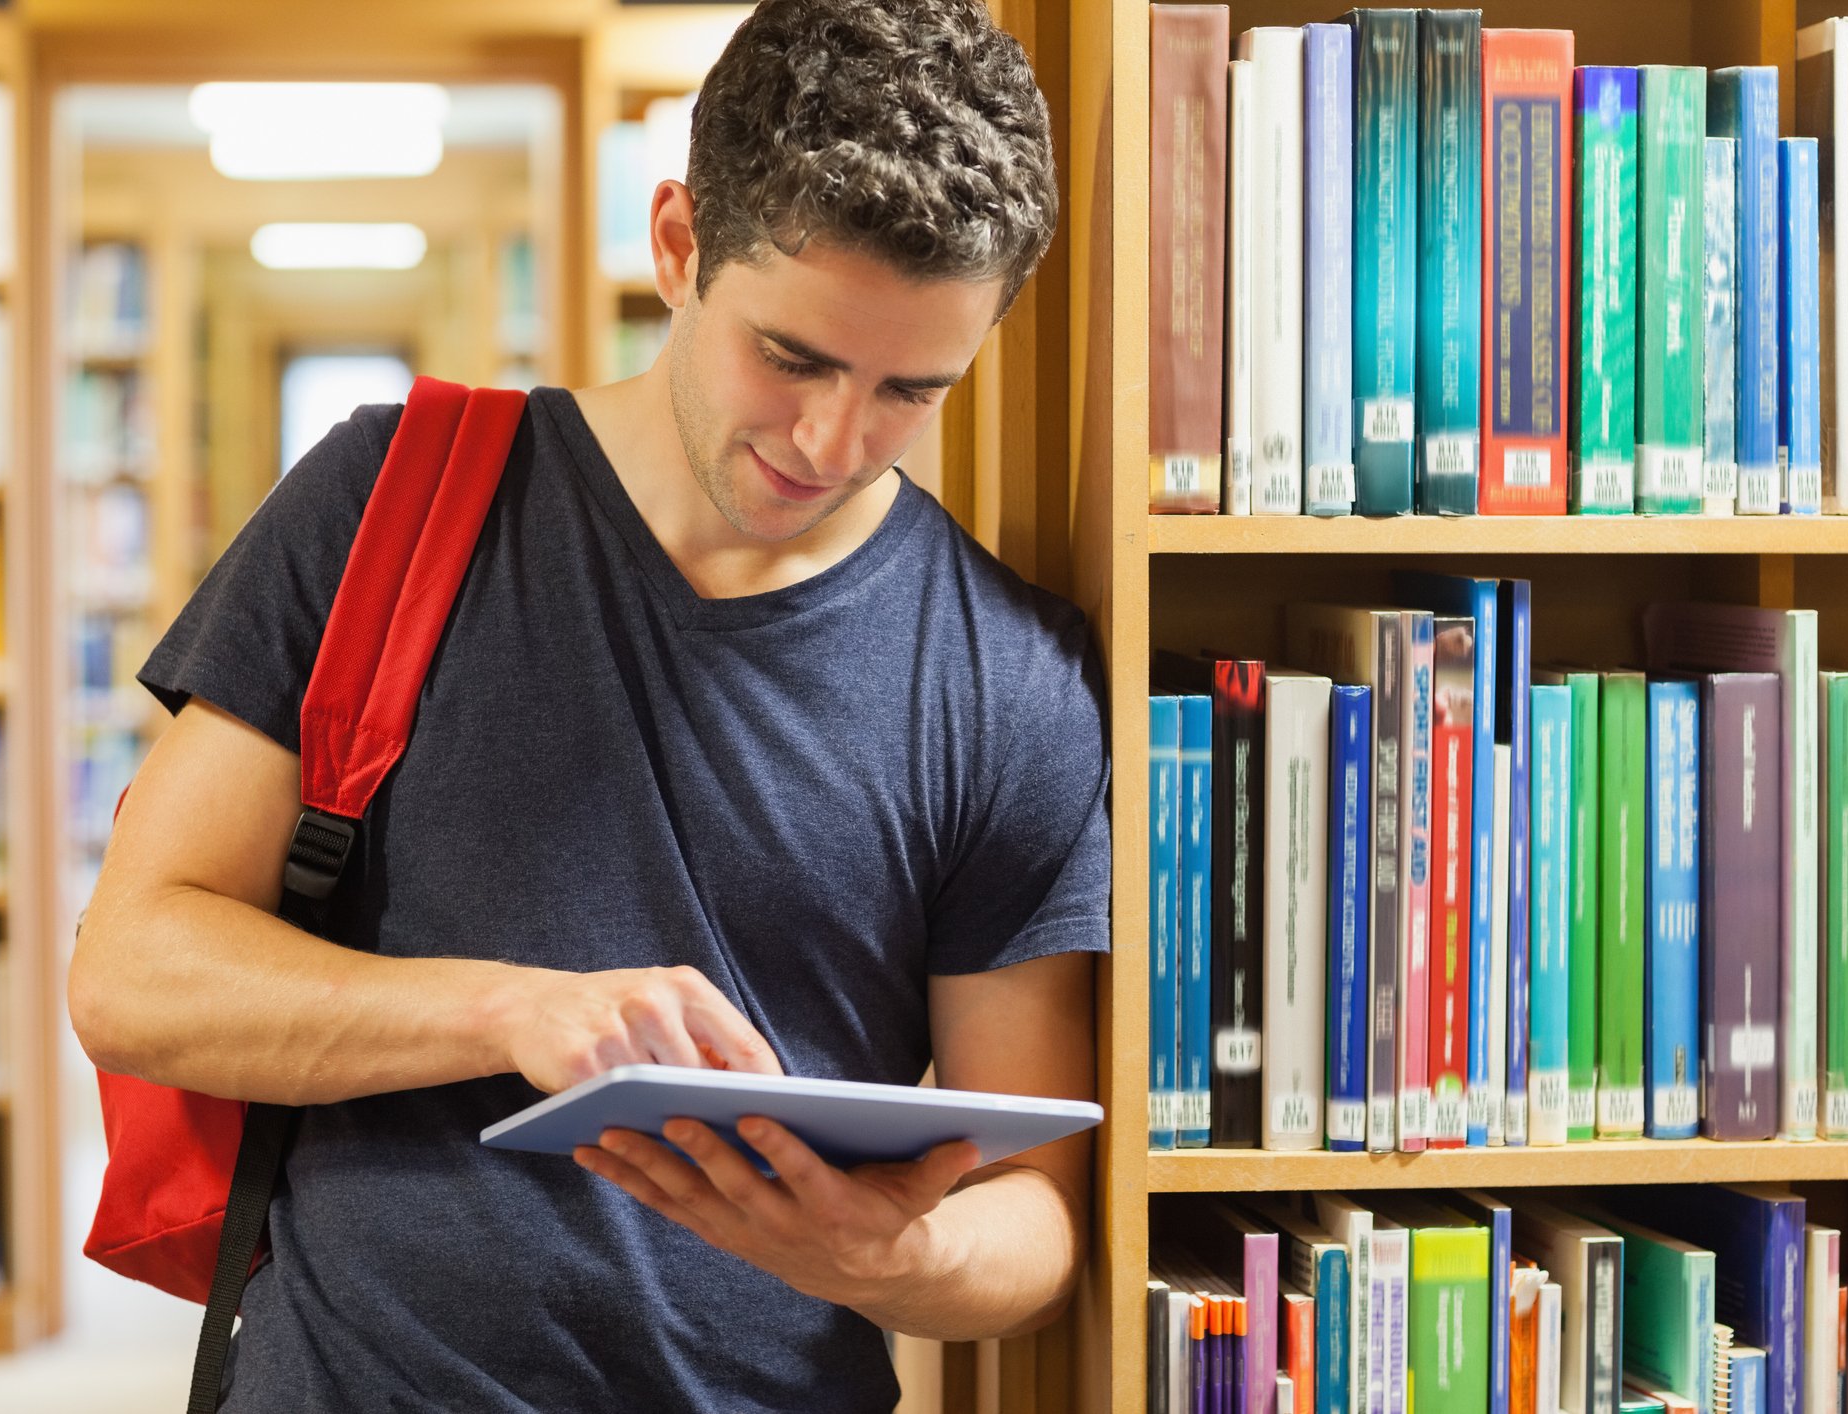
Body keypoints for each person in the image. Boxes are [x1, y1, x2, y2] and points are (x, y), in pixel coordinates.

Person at [66, 0, 1110, 1406]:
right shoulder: (388, 501)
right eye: (791, 357)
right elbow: (131, 973)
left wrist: (888, 1252)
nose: (831, 440)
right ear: (677, 246)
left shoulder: (1011, 675)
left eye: (909, 389)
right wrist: (513, 1013)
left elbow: (1039, 1216)